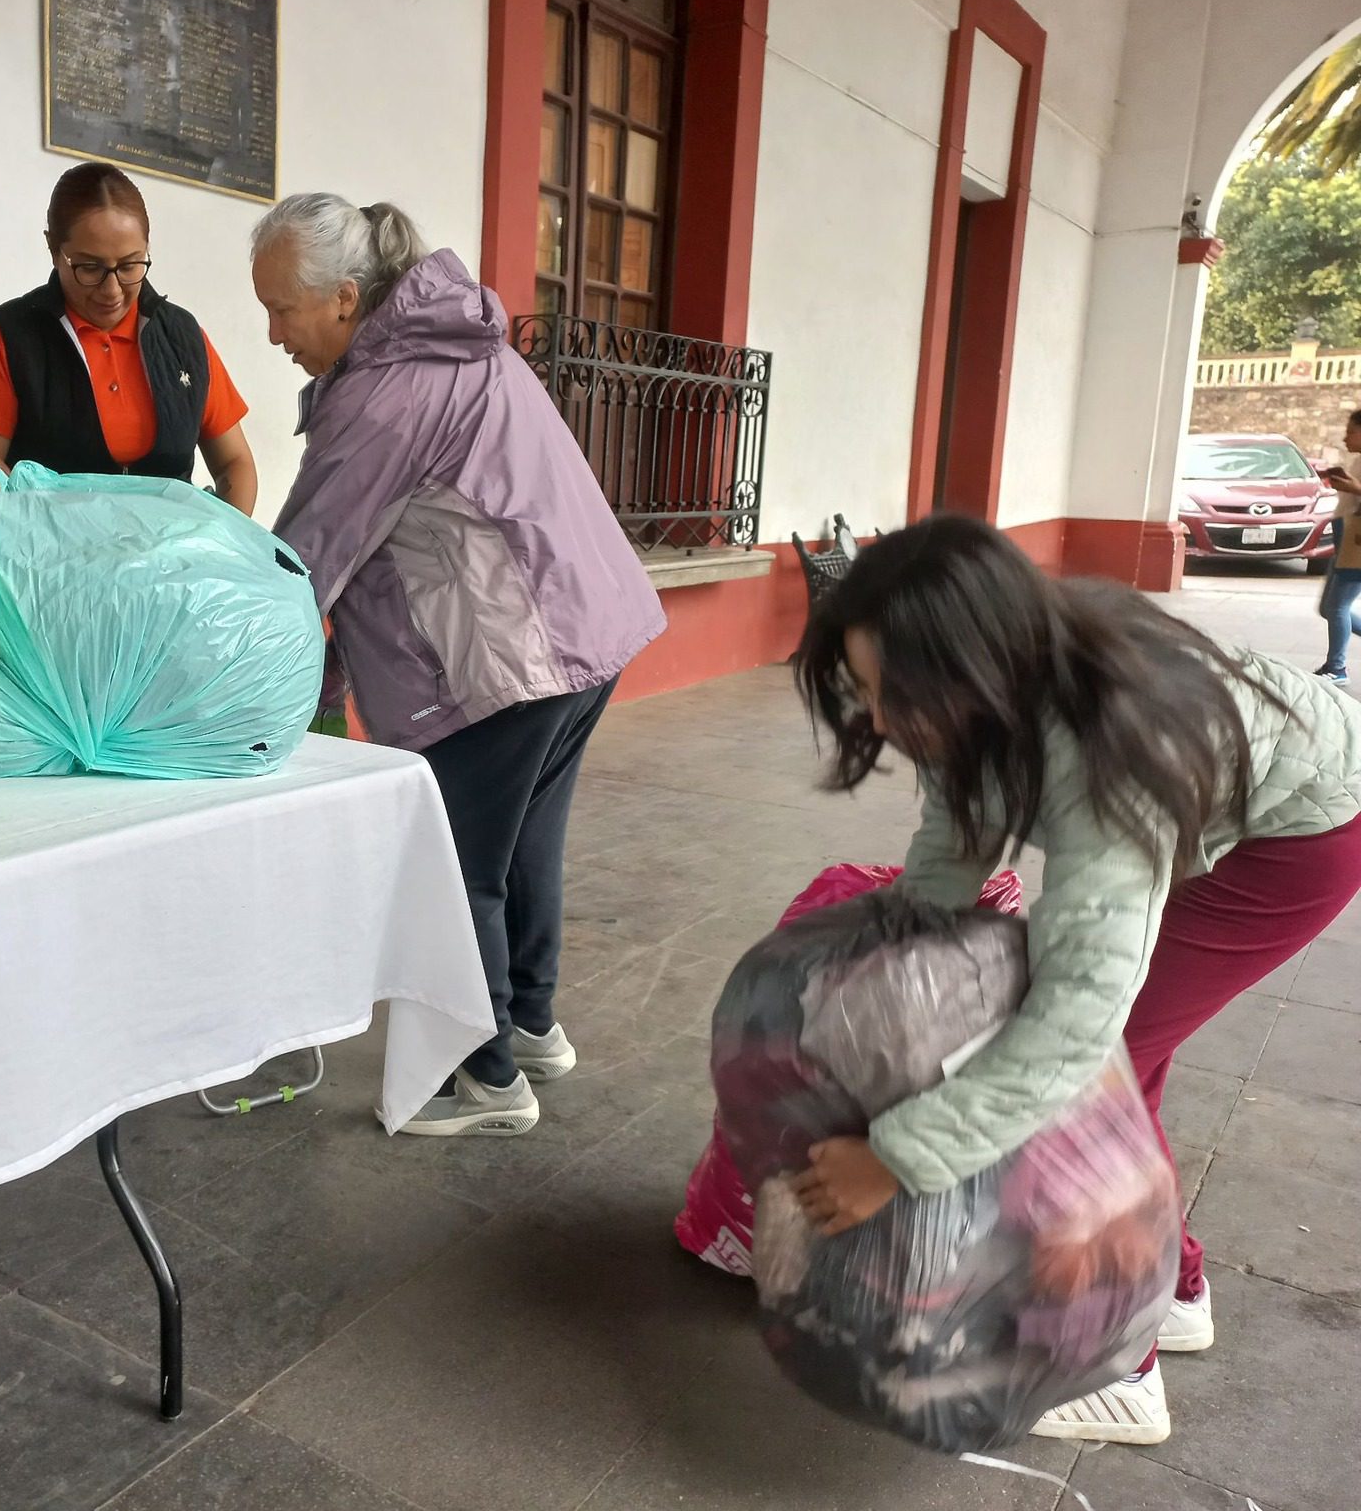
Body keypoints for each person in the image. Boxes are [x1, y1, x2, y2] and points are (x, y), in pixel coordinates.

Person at [789, 514, 1361, 1444]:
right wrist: (895, 959)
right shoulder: (988, 685)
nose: (882, 721)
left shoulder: (1105, 753)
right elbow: (953, 839)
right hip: (1220, 794)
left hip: (1299, 840)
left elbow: (1074, 1021)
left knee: (1095, 1076)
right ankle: (1171, 1290)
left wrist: (898, 1157)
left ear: (968, 662)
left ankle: (1121, 1370)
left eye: (894, 691)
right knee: (1129, 1057)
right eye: (864, 690)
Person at [250, 192, 665, 1138]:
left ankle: (485, 1079)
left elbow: (308, 558)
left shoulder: (385, 394)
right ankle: (529, 1025)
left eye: (282, 309)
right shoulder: (457, 346)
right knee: (525, 844)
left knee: (458, 867)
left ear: (346, 297)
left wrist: (248, 693)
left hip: (508, 661)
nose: (273, 333)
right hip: (583, 637)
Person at [0, 164, 258, 512]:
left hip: (174, 560)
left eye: (129, 266)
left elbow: (235, 464)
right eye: (90, 268)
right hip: (45, 557)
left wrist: (228, 544)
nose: (112, 290)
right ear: (53, 249)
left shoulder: (183, 338)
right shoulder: (9, 337)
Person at [1312, 407, 1361, 685]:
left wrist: (1355, 488)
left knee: (1338, 606)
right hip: (1345, 533)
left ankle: (1337, 668)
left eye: (1351, 432)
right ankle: (1335, 665)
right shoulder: (1356, 462)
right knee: (1328, 608)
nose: (1345, 438)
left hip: (1357, 541)